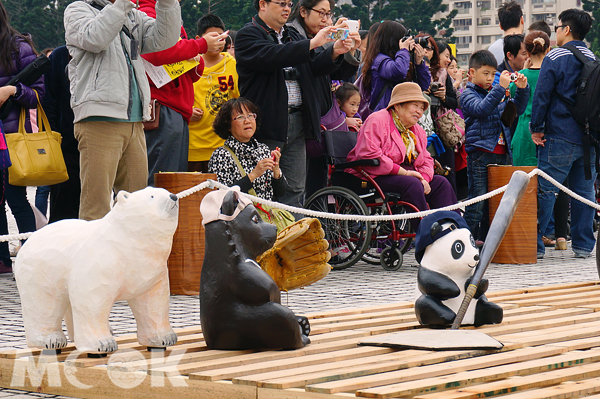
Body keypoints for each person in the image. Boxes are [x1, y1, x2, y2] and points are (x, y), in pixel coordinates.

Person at [64, 0, 182, 221]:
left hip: (135, 120)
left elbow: (165, 40)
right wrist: (121, 5)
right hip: (99, 118)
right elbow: (95, 39)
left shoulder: (133, 14)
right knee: (96, 206)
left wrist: (167, 4)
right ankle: (94, 256)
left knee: (137, 207)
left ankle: (130, 256)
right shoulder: (78, 9)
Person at [235, 0, 351, 208]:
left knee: (295, 189)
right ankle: (267, 238)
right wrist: (313, 42)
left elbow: (315, 66)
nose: (287, 8)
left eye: (289, 3)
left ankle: (292, 239)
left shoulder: (293, 34)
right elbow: (272, 56)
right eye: (281, 3)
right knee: (262, 186)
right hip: (267, 124)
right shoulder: (248, 34)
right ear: (262, 4)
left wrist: (336, 50)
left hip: (299, 121)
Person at [138, 0, 228, 186]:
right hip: (163, 108)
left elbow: (193, 70)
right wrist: (200, 46)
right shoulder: (147, 10)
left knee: (173, 180)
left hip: (176, 109)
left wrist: (194, 51)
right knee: (162, 181)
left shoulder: (168, 12)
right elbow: (157, 53)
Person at [530, 9, 596, 259]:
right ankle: (583, 246)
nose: (556, 32)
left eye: (557, 27)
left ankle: (535, 245)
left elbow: (543, 94)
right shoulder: (592, 57)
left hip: (558, 134)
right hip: (589, 139)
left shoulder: (555, 56)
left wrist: (537, 128)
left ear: (566, 29)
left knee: (547, 190)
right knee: (585, 192)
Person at [346, 82, 457, 229]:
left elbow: (426, 159)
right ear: (398, 105)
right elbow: (369, 154)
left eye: (421, 107)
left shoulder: (416, 130)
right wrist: (405, 172)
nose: (419, 111)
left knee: (440, 183)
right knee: (412, 184)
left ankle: (454, 230)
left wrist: (424, 178)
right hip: (371, 174)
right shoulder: (377, 120)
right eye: (415, 105)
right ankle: (426, 233)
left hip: (406, 175)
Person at [287, 0, 361, 198]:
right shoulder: (292, 34)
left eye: (328, 14)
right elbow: (313, 67)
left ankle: (318, 226)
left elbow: (341, 73)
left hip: (322, 120)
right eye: (321, 13)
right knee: (299, 186)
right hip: (303, 119)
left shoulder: (316, 36)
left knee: (317, 183)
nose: (326, 19)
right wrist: (331, 46)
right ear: (303, 11)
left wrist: (349, 49)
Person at [460, 50, 529, 242]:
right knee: (478, 201)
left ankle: (488, 241)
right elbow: (481, 109)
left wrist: (522, 89)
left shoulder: (495, 92)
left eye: (493, 74)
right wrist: (500, 88)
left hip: (501, 152)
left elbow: (515, 110)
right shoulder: (467, 94)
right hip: (481, 153)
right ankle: (466, 241)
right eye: (485, 73)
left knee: (497, 202)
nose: (490, 78)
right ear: (471, 73)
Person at [0, 1, 44, 274]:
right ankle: (4, 259)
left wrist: (11, 91)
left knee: (15, 198)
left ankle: (34, 258)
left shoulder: (18, 46)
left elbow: (39, 95)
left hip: (12, 135)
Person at [188, 14, 240, 173]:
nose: (218, 41)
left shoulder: (232, 65)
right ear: (199, 38)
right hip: (193, 147)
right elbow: (176, 98)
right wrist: (186, 111)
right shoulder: (189, 64)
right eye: (213, 37)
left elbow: (240, 101)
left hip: (224, 146)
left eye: (221, 37)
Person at [208, 98, 287, 201]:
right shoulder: (221, 155)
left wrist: (276, 171)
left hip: (265, 215)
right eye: (240, 117)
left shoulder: (263, 149)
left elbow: (280, 193)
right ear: (227, 125)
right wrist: (253, 175)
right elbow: (223, 197)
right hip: (238, 215)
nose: (247, 121)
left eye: (250, 116)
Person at [42, 45, 81, 223]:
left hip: (97, 138)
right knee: (62, 203)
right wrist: (53, 136)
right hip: (65, 142)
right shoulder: (59, 55)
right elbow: (48, 99)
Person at [361, 21, 431, 112]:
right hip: (384, 115)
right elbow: (398, 72)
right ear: (392, 40)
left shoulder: (401, 59)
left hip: (401, 115)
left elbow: (423, 85)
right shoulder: (379, 60)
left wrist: (419, 63)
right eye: (402, 38)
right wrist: (404, 50)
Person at [429, 41, 460, 194]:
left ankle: (451, 209)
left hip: (442, 130)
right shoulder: (419, 71)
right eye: (446, 56)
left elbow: (454, 102)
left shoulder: (444, 74)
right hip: (424, 130)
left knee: (448, 172)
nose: (449, 60)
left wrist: (443, 98)